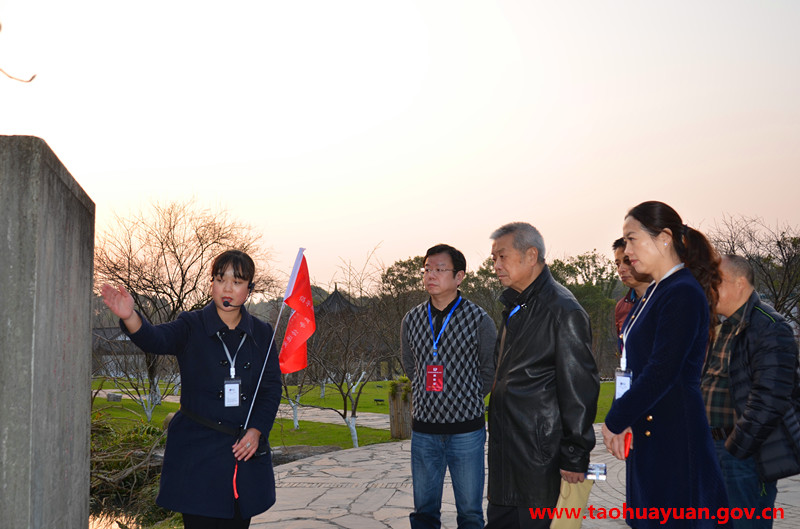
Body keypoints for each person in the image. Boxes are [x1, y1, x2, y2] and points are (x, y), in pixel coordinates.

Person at [101, 250, 281, 529]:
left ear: (249, 289)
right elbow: (155, 339)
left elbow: (271, 387)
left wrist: (257, 430)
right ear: (212, 284)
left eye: (237, 282)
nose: (228, 288)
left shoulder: (262, 333)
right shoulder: (191, 325)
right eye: (220, 280)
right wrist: (131, 317)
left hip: (243, 459)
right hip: (199, 458)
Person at [602, 201, 728, 528]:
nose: (627, 250)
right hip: (651, 431)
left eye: (632, 239)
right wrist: (625, 413)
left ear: (664, 238)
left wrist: (615, 418)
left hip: (674, 432)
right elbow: (634, 366)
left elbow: (662, 371)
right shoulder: (656, 292)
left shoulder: (682, 292)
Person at [487, 222, 599, 529]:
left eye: (502, 256)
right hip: (506, 456)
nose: (495, 265)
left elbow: (580, 389)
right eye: (493, 258)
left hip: (540, 460)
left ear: (531, 255)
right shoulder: (516, 305)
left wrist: (576, 456)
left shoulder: (562, 311)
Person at [401, 244, 497, 529]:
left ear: (459, 277)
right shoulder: (412, 319)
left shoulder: (479, 319)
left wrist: (464, 396)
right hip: (424, 431)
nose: (431, 275)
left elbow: (489, 369)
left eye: (440, 269)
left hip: (466, 430)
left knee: (469, 512)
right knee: (424, 512)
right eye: (427, 269)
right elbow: (411, 364)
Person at [701, 254, 800, 528]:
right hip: (712, 449)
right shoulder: (719, 327)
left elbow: (771, 400)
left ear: (740, 284)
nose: (709, 289)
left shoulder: (771, 327)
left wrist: (736, 448)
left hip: (744, 455)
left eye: (715, 282)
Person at [612, 237, 651, 340]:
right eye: (617, 264)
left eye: (627, 261)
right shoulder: (621, 307)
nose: (621, 269)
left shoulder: (666, 296)